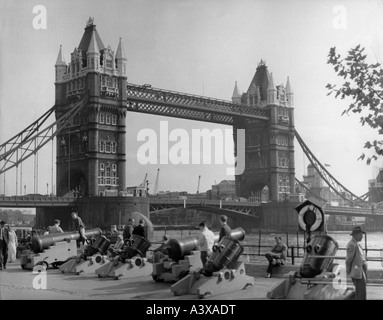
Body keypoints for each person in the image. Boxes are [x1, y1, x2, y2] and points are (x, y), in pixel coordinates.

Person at [346, 226, 368, 300]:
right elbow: (349, 259)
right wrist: (348, 271)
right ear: (356, 235)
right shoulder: (352, 244)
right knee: (360, 293)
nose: (362, 236)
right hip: (357, 272)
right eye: (361, 235)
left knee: (361, 292)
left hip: (360, 271)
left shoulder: (356, 244)